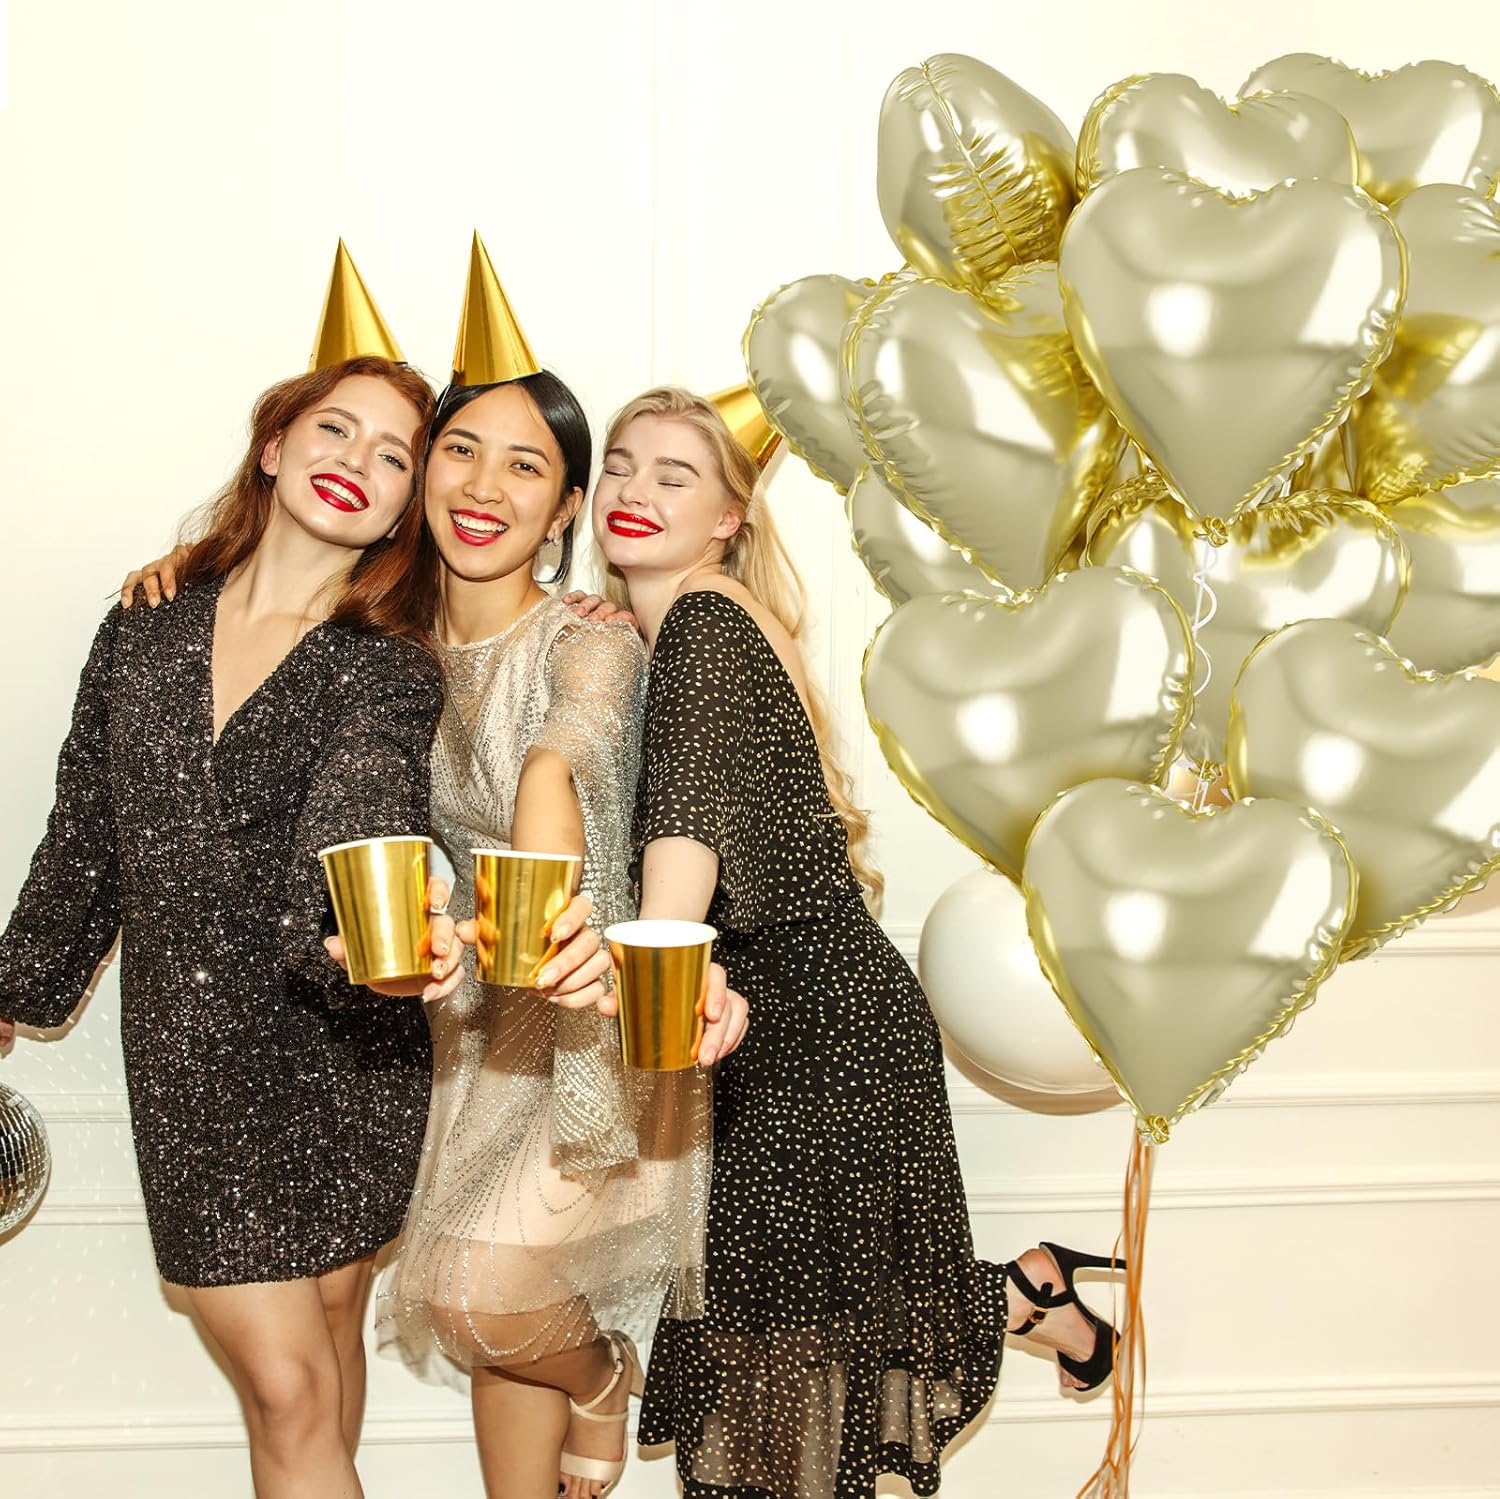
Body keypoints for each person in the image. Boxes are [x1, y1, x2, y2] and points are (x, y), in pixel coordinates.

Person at [109, 240, 747, 1499]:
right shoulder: (379, 642)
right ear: (416, 477)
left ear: (564, 511)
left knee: (477, 1294)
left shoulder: (591, 639)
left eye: (528, 466)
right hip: (460, 1029)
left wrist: (538, 898)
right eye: (458, 450)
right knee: (499, 1350)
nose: (484, 486)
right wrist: (186, 571)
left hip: (578, 1009)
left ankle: (606, 1375)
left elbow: (558, 764)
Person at [587, 386, 1125, 1498]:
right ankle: (1026, 1290)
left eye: (674, 475)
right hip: (806, 1013)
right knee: (804, 1335)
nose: (635, 489)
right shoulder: (689, 625)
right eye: (621, 466)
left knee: (782, 1370)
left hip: (808, 1030)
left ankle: (1022, 1294)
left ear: (729, 517)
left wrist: (656, 990)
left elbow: (687, 823)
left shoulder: (703, 621)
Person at [0, 250, 465, 1499]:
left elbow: (362, 807)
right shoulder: (143, 625)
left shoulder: (388, 666)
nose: (357, 461)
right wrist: (10, 993)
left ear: (403, 510)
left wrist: (369, 935)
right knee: (290, 1387)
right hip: (194, 1061)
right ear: (273, 445)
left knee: (325, 1343)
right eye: (336, 429)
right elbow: (84, 837)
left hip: (342, 1040)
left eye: (394, 457)